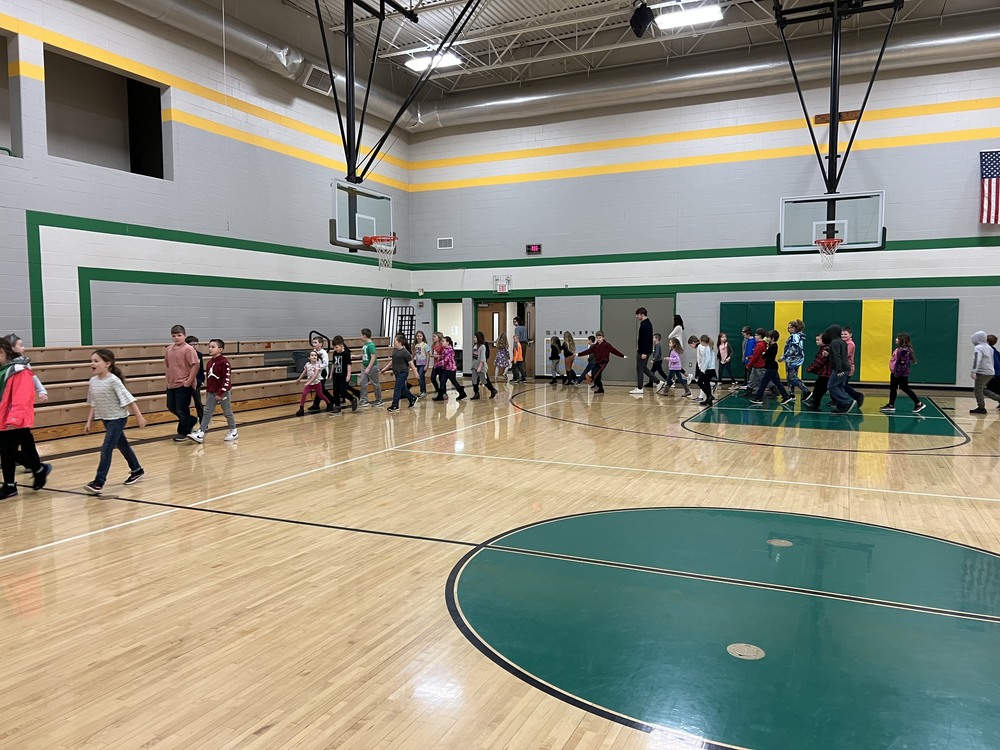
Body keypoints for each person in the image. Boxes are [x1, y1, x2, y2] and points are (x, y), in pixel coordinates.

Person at [83, 348, 146, 494]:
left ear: (107, 363)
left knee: (106, 448)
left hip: (118, 419)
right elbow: (93, 403)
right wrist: (89, 421)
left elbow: (129, 399)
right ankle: (136, 469)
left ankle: (98, 483)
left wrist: (139, 416)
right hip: (106, 418)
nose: (92, 364)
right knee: (123, 445)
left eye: (96, 361)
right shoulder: (93, 381)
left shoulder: (113, 380)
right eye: (91, 361)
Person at [0, 337, 50, 500]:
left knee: (7, 451)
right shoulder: (3, 370)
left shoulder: (18, 370)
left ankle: (36, 470)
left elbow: (22, 398)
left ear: (2, 352)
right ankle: (14, 482)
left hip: (14, 419)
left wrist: (14, 420)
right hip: (3, 417)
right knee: (7, 452)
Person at [189, 339, 238, 441]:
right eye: (209, 347)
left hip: (223, 392)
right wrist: (209, 391)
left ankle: (233, 430)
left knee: (227, 412)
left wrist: (220, 392)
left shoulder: (225, 363)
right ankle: (201, 432)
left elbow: (227, 379)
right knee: (207, 412)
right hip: (211, 392)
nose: (210, 349)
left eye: (213, 347)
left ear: (220, 349)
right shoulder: (209, 362)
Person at [164, 324, 200, 442]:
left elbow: (195, 365)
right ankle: (191, 420)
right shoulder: (169, 349)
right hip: (172, 383)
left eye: (179, 335)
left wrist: (188, 381)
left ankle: (183, 432)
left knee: (181, 409)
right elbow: (168, 365)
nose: (176, 338)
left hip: (184, 383)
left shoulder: (188, 349)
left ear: (184, 336)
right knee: (171, 406)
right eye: (174, 336)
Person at [880, 333, 925, 413]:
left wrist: (897, 373)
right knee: (894, 388)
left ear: (902, 340)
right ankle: (891, 405)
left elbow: (903, 364)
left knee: (904, 388)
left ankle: (918, 403)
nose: (896, 339)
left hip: (899, 373)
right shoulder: (900, 349)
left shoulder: (904, 351)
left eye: (897, 338)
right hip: (896, 372)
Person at [749, 330, 795, 407]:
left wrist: (764, 353)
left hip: (771, 367)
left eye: (768, 337)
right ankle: (786, 396)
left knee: (764, 382)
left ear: (772, 338)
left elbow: (765, 356)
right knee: (777, 382)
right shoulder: (771, 346)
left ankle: (758, 398)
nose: (767, 339)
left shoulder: (773, 346)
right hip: (771, 366)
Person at [380, 334, 419, 412]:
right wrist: (385, 369)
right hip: (397, 372)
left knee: (397, 388)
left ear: (400, 342)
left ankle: (395, 405)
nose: (394, 343)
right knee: (402, 388)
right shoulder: (395, 350)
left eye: (395, 341)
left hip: (403, 372)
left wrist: (415, 373)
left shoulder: (405, 352)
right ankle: (412, 398)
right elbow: (392, 361)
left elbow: (411, 363)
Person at [826, 324, 856, 413]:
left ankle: (847, 402)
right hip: (846, 368)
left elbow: (837, 356)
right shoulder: (842, 342)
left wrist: (839, 369)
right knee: (839, 386)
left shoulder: (834, 342)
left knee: (831, 386)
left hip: (839, 369)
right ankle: (842, 405)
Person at [630, 307, 660, 395]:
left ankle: (640, 388)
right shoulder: (645, 323)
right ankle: (658, 382)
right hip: (643, 350)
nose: (636, 316)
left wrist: (644, 352)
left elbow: (646, 340)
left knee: (639, 368)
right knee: (643, 368)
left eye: (637, 315)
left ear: (642, 314)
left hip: (644, 351)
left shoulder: (646, 325)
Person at [969, 330, 999, 415]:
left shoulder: (979, 347)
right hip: (990, 372)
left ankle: (981, 407)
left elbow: (976, 359)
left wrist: (973, 371)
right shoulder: (989, 347)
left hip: (983, 372)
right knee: (981, 389)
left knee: (977, 390)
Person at [779, 319, 809, 399]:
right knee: (791, 377)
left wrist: (783, 357)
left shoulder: (794, 336)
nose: (788, 329)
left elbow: (793, 348)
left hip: (793, 360)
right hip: (796, 359)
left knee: (792, 378)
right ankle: (791, 394)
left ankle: (806, 391)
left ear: (795, 328)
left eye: (790, 327)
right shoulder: (799, 336)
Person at [296, 350, 331, 416]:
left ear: (317, 357)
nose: (314, 356)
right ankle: (301, 408)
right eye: (312, 355)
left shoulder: (318, 365)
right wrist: (299, 379)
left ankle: (328, 403)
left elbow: (315, 375)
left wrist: (309, 382)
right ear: (309, 357)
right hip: (310, 384)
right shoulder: (307, 364)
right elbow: (304, 372)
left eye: (315, 355)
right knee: (304, 394)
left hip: (317, 383)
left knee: (320, 395)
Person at [802, 332, 832, 411]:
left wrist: (810, 369)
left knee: (819, 389)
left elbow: (819, 362)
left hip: (825, 373)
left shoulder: (825, 350)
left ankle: (816, 404)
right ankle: (815, 402)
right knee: (820, 388)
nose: (817, 342)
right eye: (816, 340)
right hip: (825, 373)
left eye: (818, 340)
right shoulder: (825, 348)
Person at [329, 336, 358, 412]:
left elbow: (349, 364)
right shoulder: (335, 353)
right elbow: (333, 364)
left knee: (342, 392)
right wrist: (331, 374)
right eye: (334, 347)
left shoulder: (346, 354)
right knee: (335, 391)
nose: (335, 349)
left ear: (341, 345)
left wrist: (348, 375)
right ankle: (337, 406)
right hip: (336, 375)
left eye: (336, 347)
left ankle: (352, 399)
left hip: (343, 375)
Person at [308, 336, 335, 411]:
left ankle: (330, 400)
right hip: (317, 372)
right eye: (313, 342)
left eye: (315, 342)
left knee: (321, 389)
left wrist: (318, 368)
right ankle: (316, 404)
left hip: (323, 372)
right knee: (318, 388)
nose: (313, 344)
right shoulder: (314, 351)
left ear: (321, 344)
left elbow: (325, 364)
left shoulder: (323, 353)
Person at [436, 336, 467, 401]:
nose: (441, 342)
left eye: (443, 341)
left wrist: (437, 364)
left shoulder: (449, 350)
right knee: (442, 381)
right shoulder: (445, 349)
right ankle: (441, 395)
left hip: (450, 369)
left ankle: (462, 392)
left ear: (448, 342)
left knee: (453, 381)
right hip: (446, 368)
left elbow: (446, 360)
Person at [359, 328, 384, 407]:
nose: (360, 337)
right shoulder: (365, 345)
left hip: (372, 367)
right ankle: (364, 400)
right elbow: (365, 355)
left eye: (361, 335)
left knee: (375, 384)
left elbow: (373, 357)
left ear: (364, 336)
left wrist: (368, 368)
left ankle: (379, 399)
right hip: (365, 367)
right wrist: (356, 356)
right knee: (363, 383)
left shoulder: (371, 345)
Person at [470, 332, 498, 400]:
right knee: (474, 380)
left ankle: (492, 390)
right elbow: (474, 357)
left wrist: (480, 366)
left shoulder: (482, 347)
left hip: (481, 366)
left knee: (484, 380)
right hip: (474, 366)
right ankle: (476, 393)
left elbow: (482, 358)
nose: (474, 339)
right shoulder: (475, 346)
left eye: (475, 337)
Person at [185, 335, 205, 421]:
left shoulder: (199, 355)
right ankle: (188, 421)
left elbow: (201, 369)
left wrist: (202, 380)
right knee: (185, 403)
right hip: (186, 382)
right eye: (192, 344)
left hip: (196, 382)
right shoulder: (184, 354)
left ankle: (202, 421)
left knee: (198, 403)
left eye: (196, 344)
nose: (194, 346)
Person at [695, 334, 718, 407]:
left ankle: (709, 395)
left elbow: (707, 359)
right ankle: (709, 401)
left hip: (708, 369)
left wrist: (703, 369)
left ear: (703, 341)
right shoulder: (710, 347)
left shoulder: (707, 348)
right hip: (711, 369)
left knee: (699, 382)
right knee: (707, 383)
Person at [745, 329, 768, 397]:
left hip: (759, 366)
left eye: (756, 335)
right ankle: (748, 391)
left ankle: (774, 390)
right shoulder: (761, 344)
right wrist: (749, 357)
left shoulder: (759, 345)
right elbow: (756, 355)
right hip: (756, 365)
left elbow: (756, 356)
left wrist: (749, 364)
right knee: (752, 378)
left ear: (760, 336)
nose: (755, 336)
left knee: (764, 379)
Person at [412, 330, 430, 397]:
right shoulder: (415, 345)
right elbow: (413, 354)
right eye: (417, 336)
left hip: (423, 363)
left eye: (420, 336)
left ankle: (423, 391)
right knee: (420, 377)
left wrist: (427, 365)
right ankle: (422, 391)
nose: (419, 337)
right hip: (418, 364)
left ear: (423, 337)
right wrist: (411, 361)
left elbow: (428, 355)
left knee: (420, 376)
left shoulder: (425, 345)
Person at [740, 325, 755, 390]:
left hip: (749, 360)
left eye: (743, 332)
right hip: (746, 359)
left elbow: (751, 352)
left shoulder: (752, 341)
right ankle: (746, 383)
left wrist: (749, 360)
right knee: (746, 372)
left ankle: (749, 385)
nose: (742, 333)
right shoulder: (746, 340)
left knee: (750, 372)